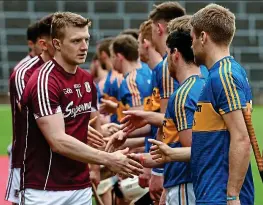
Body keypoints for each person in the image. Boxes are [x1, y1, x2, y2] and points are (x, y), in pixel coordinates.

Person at [19, 12, 143, 205]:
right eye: (76, 41)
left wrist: (107, 147)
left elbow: (89, 130)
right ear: (57, 44)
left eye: (86, 39)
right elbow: (58, 140)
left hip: (80, 186)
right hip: (45, 189)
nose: (84, 47)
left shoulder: (86, 79)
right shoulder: (44, 81)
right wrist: (109, 159)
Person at [150, 4, 254, 205]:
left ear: (203, 37)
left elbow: (241, 138)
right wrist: (171, 154)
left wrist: (232, 196)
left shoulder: (223, 76)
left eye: (192, 38)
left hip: (219, 196)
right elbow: (214, 144)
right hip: (210, 193)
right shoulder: (222, 73)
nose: (191, 46)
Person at [5, 14, 55, 205]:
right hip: (30, 158)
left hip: (61, 158)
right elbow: (29, 113)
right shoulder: (24, 71)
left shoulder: (67, 70)